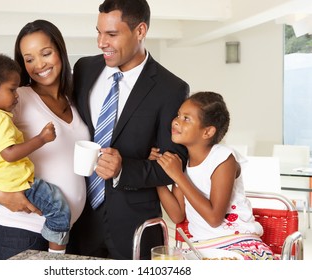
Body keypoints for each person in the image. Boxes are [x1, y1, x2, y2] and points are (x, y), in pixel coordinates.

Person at [0, 20, 90, 260]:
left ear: (60, 51)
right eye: (29, 59)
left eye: (46, 53)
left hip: (64, 233)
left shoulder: (74, 101)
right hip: (19, 229)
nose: (39, 65)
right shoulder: (16, 99)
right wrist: (3, 197)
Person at [67, 0, 190, 260]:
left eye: (111, 34)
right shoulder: (84, 69)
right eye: (98, 32)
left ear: (141, 31)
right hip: (79, 217)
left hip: (134, 224)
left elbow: (173, 163)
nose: (101, 42)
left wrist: (124, 169)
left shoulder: (171, 89)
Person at [151, 91, 275, 260]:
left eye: (186, 118)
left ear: (207, 132)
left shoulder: (223, 159)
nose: (176, 121)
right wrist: (157, 174)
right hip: (201, 248)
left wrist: (178, 176)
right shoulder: (182, 164)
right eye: (178, 115)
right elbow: (177, 215)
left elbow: (214, 218)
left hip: (237, 244)